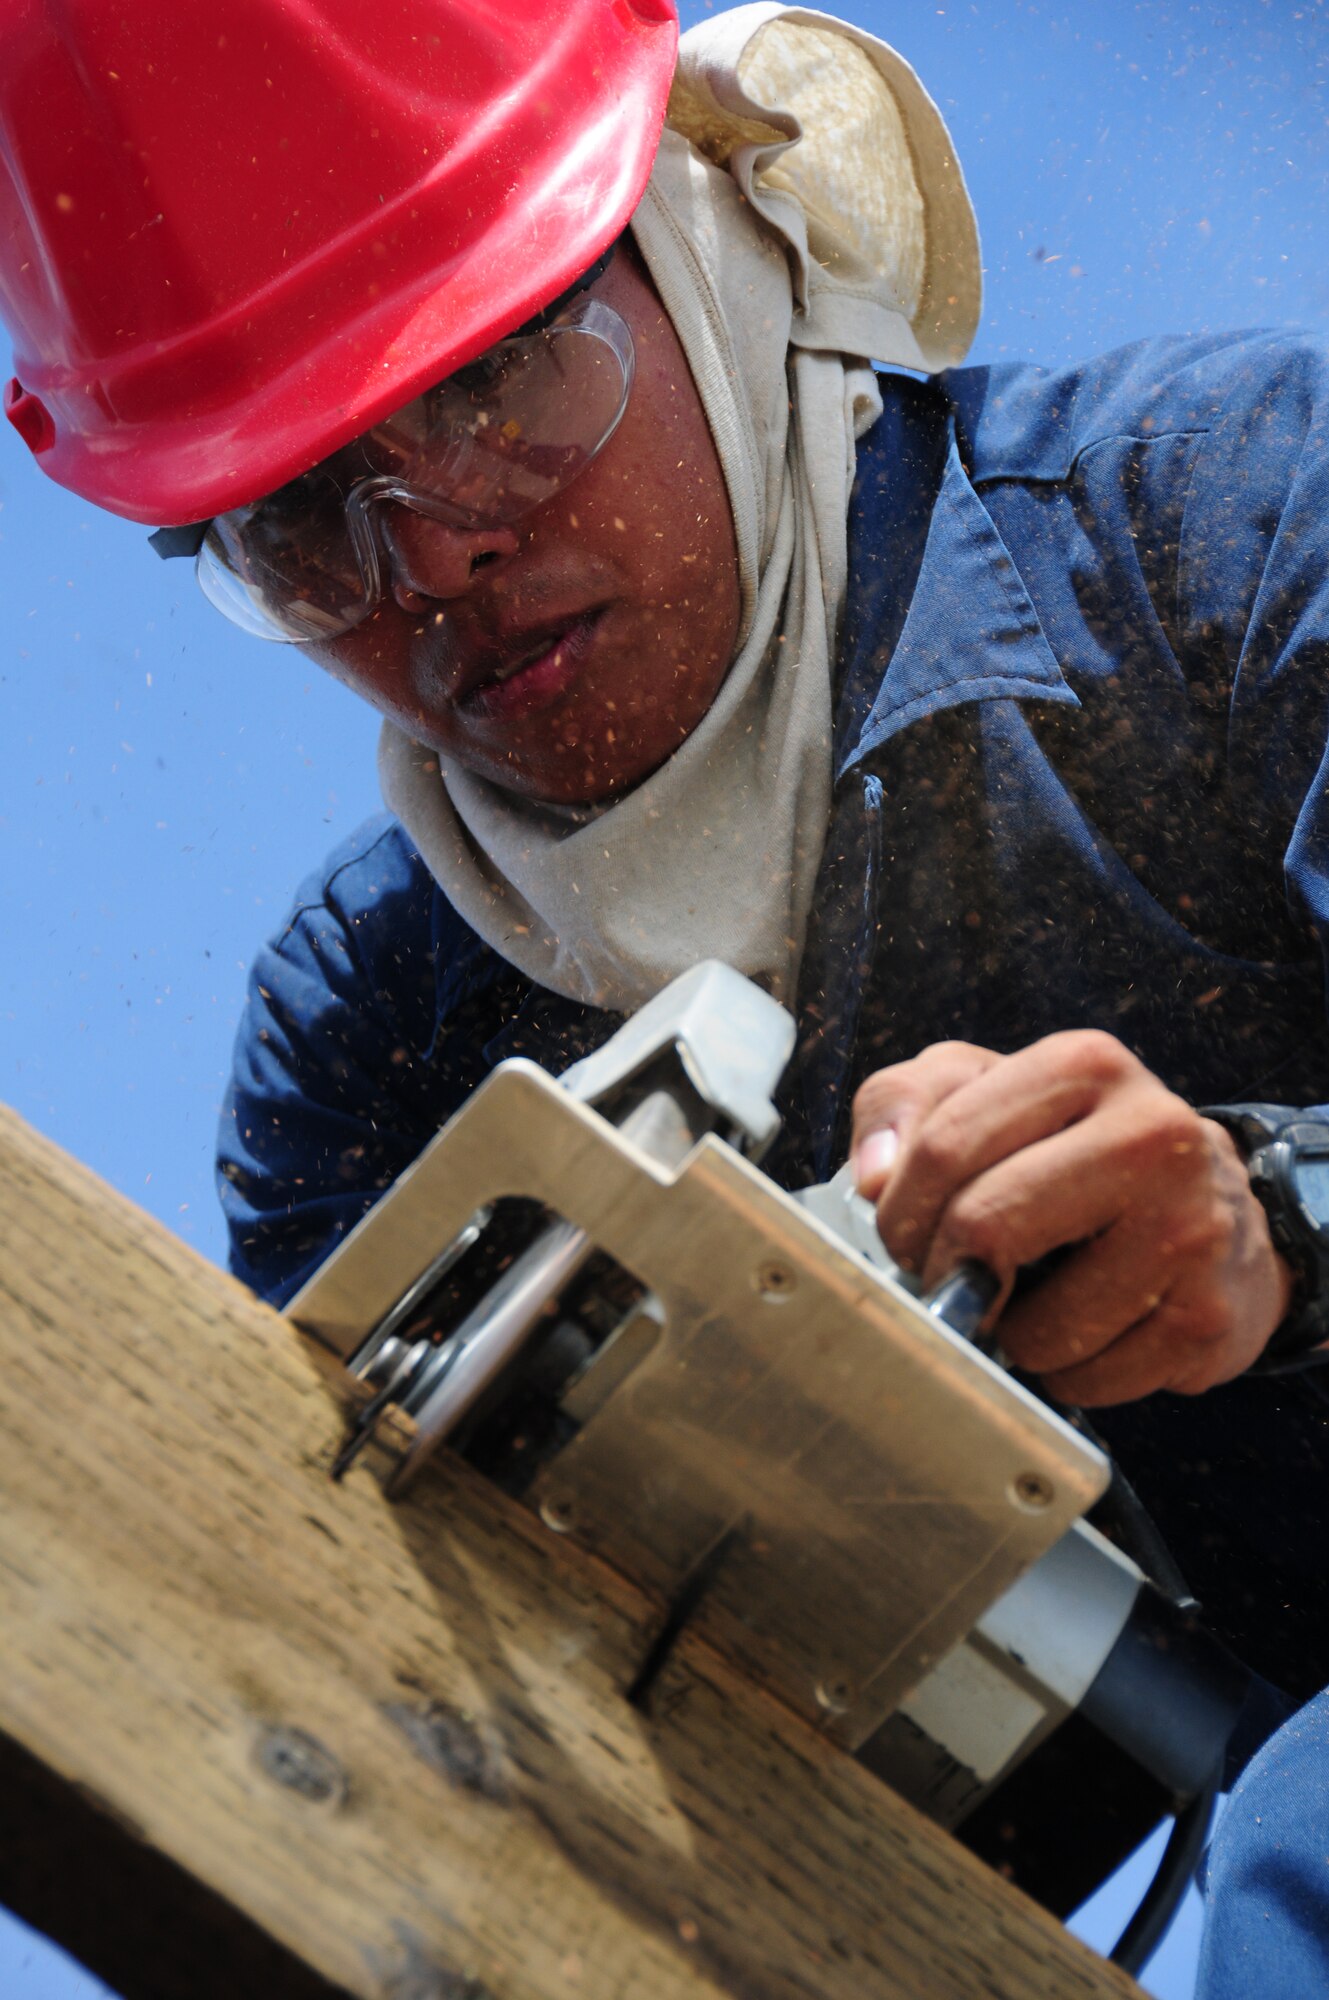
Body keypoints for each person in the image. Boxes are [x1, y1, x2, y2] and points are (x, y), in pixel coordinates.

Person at [3, 0, 1327, 1980]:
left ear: (701, 239)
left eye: (491, 381)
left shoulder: (1216, 532)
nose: (433, 552)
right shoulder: (366, 1059)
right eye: (294, 520)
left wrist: (1273, 1218)